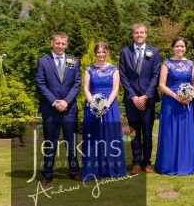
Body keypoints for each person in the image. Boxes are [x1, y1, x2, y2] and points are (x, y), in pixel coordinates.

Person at [35, 31, 82, 185]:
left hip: (69, 110)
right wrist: (55, 102)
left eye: (63, 43)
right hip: (50, 110)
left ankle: (74, 171)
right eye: (57, 43)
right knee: (50, 143)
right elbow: (41, 84)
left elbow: (76, 84)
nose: (60, 46)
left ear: (67, 44)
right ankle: (47, 174)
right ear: (52, 42)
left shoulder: (74, 61)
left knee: (71, 143)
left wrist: (66, 102)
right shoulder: (43, 61)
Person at [155, 37, 194, 175]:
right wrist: (176, 97)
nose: (180, 49)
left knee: (186, 132)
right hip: (171, 101)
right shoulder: (166, 63)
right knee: (171, 132)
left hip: (187, 103)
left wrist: (190, 96)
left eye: (182, 46)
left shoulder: (191, 64)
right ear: (173, 47)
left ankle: (187, 164)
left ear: (185, 48)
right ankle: (169, 165)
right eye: (177, 46)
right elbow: (161, 84)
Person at [81, 42, 126, 181]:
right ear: (95, 53)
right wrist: (93, 103)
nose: (101, 54)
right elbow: (86, 89)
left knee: (110, 136)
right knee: (93, 137)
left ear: (107, 53)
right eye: (98, 52)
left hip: (110, 106)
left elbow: (115, 89)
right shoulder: (89, 69)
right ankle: (93, 169)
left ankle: (112, 168)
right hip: (92, 107)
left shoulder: (114, 69)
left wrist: (106, 104)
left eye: (103, 52)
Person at [119, 23, 160, 174]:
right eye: (136, 33)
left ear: (146, 34)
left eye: (142, 32)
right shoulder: (125, 51)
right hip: (131, 99)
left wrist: (145, 96)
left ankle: (147, 162)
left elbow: (155, 75)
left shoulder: (154, 52)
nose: (139, 35)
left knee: (147, 132)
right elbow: (123, 75)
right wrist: (134, 96)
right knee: (132, 131)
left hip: (147, 99)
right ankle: (136, 161)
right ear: (133, 35)